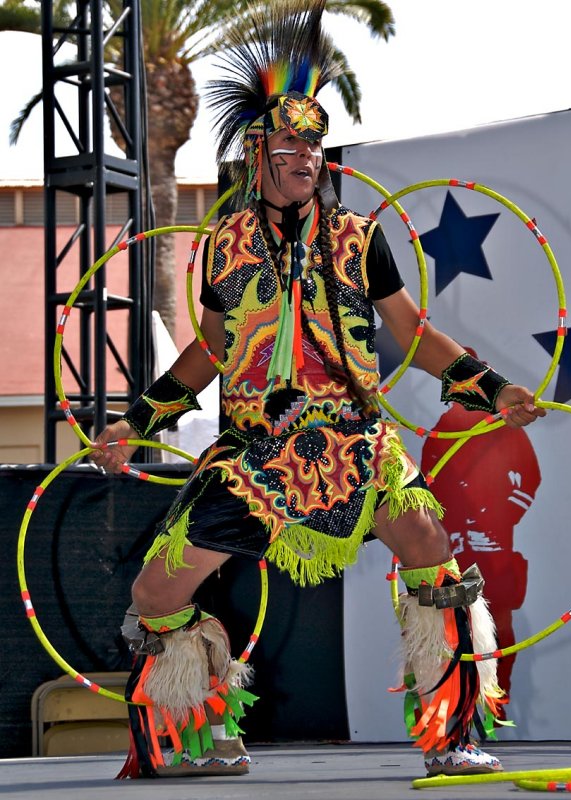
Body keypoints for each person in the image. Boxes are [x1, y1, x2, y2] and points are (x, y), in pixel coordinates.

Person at [90, 0, 545, 780]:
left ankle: (450, 738)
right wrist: (135, 423)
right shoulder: (224, 245)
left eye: (316, 142)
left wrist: (492, 388)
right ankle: (201, 736)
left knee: (431, 549)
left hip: (355, 441)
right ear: (259, 149)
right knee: (158, 587)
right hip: (256, 453)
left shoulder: (359, 238)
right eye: (294, 141)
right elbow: (210, 350)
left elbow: (413, 331)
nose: (308, 154)